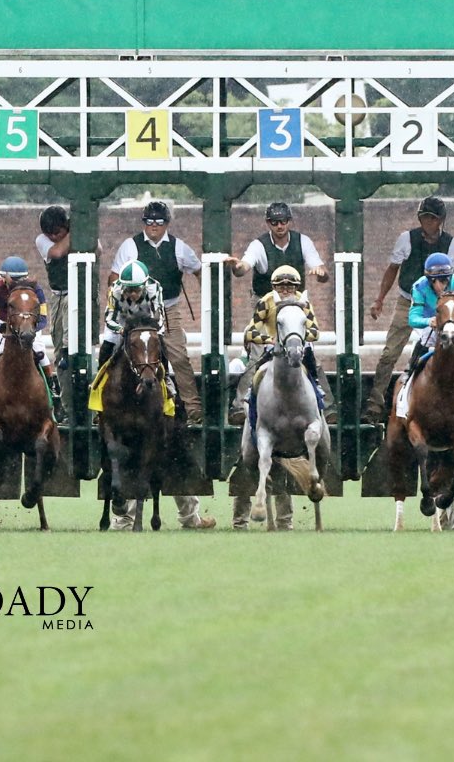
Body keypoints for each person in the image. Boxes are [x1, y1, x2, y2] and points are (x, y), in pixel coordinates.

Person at [108, 201, 214, 530]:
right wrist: (119, 330)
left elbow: (198, 270)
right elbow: (113, 283)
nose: (153, 226)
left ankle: (188, 404)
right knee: (107, 353)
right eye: (149, 222)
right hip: (127, 321)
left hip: (163, 313)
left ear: (166, 223)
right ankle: (97, 392)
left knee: (176, 356)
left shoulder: (178, 249)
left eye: (158, 222)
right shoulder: (130, 248)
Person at [230, 265, 323, 531]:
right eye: (281, 286)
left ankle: (322, 401)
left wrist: (298, 338)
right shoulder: (266, 303)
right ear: (274, 286)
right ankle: (246, 407)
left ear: (296, 287)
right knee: (256, 375)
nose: (286, 290)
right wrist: (271, 339)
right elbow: (249, 332)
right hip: (272, 353)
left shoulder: (304, 304)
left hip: (297, 351)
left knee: (312, 372)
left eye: (290, 286)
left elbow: (315, 331)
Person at [224, 201, 334, 424]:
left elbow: (321, 271)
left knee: (309, 354)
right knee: (257, 356)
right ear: (268, 223)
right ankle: (239, 405)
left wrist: (321, 272)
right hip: (268, 305)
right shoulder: (259, 245)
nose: (280, 226)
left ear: (289, 222)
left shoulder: (303, 242)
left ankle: (328, 405)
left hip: (295, 305)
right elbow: (245, 266)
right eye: (274, 222)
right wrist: (237, 267)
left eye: (283, 221)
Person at [396, 252, 454, 532]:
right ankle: (409, 378)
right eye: (436, 280)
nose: (440, 284)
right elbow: (412, 317)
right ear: (428, 278)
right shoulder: (419, 286)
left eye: (443, 279)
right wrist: (430, 323)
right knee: (419, 350)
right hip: (432, 331)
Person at [365, 196, 454, 424]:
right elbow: (393, 269)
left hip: (441, 305)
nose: (427, 222)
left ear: (441, 221)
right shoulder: (406, 239)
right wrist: (380, 299)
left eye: (432, 218)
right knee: (390, 353)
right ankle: (375, 402)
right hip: (408, 301)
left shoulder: (452, 245)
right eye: (424, 217)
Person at [97, 260, 179, 404]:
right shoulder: (115, 291)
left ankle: (167, 380)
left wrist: (153, 332)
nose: (133, 294)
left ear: (144, 286)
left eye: (137, 290)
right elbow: (109, 319)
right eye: (128, 290)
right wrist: (122, 330)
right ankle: (100, 380)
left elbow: (159, 317)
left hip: (147, 321)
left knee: (160, 344)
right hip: (122, 321)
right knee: (107, 346)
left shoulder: (155, 288)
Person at [0, 256, 61, 402]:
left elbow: (42, 318)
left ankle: (51, 387)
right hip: (4, 323)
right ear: (3, 278)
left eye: (20, 280)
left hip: (29, 323)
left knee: (41, 353)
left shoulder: (36, 290)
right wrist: (1, 327)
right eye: (13, 280)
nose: (17, 284)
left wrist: (30, 328)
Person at [35, 205, 71, 371]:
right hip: (58, 294)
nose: (54, 237)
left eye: (58, 232)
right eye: (50, 234)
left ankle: (67, 347)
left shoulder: (78, 232)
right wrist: (74, 232)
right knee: (57, 332)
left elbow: (98, 249)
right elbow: (57, 252)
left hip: (80, 293)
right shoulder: (41, 240)